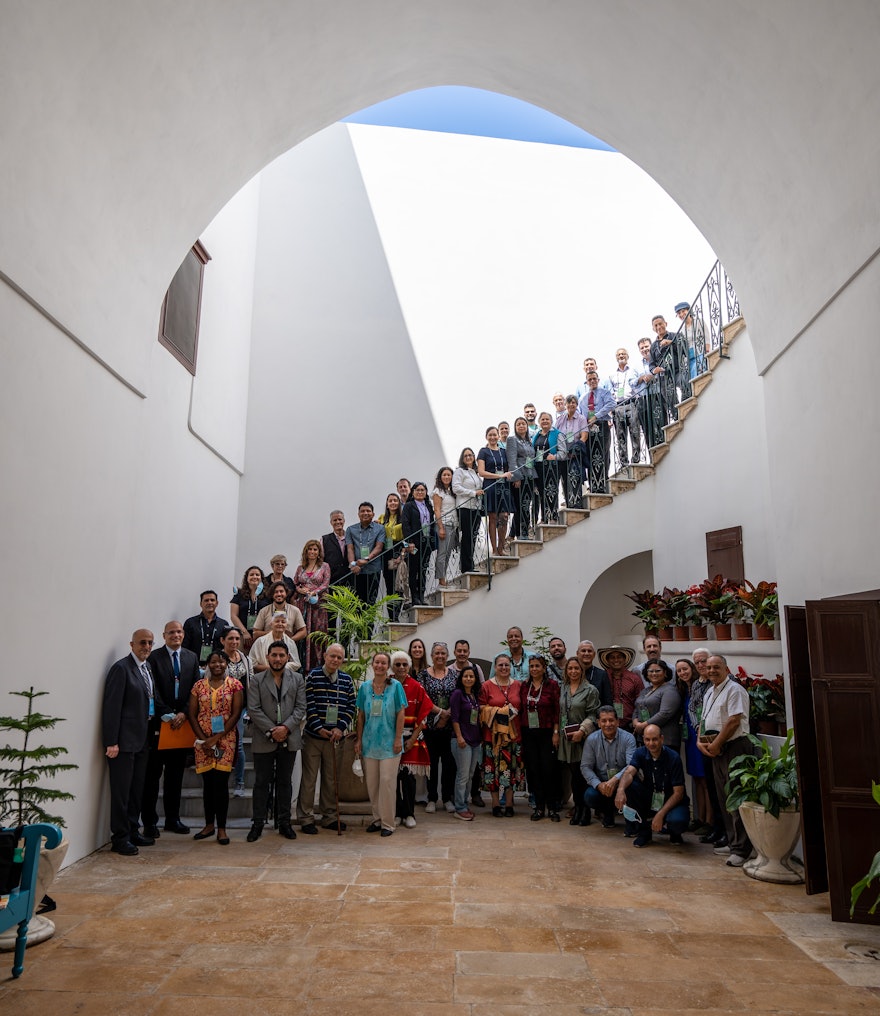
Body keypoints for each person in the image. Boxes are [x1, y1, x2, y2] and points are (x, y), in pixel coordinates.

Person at [697, 653, 756, 867]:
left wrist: (716, 744)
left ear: (726, 668)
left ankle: (742, 849)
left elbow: (733, 721)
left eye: (716, 667)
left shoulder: (735, 690)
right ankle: (733, 843)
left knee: (736, 796)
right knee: (724, 798)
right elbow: (703, 719)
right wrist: (699, 742)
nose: (711, 670)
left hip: (734, 747)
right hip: (716, 748)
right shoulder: (709, 692)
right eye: (708, 667)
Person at [141, 620, 198, 837]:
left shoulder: (191, 657)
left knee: (175, 777)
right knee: (152, 777)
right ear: (164, 636)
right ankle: (149, 822)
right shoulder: (154, 658)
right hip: (159, 725)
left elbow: (195, 689)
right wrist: (166, 714)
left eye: (179, 632)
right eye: (171, 632)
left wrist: (183, 713)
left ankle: (173, 819)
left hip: (181, 725)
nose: (176, 635)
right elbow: (152, 689)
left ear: (183, 635)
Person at [102, 628, 156, 855]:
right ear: (131, 644)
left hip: (142, 741)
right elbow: (111, 708)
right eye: (142, 642)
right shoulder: (121, 669)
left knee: (136, 792)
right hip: (123, 744)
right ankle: (120, 837)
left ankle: (133, 830)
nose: (146, 646)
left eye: (150, 643)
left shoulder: (147, 668)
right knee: (122, 794)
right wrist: (111, 741)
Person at [246, 640, 306, 841]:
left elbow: (300, 708)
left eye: (281, 655)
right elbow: (253, 709)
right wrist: (273, 730)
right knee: (261, 782)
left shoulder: (297, 679)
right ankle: (257, 823)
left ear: (288, 657)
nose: (278, 659)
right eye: (274, 655)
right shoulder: (257, 679)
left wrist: (286, 728)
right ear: (267, 657)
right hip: (264, 737)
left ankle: (284, 823)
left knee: (284, 782)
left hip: (289, 737)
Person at [297, 643, 357, 834]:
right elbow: (309, 703)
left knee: (332, 780)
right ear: (325, 656)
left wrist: (340, 728)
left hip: (335, 739)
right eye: (332, 656)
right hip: (314, 738)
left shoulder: (347, 680)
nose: (335, 660)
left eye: (339, 658)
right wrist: (319, 728)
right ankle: (306, 818)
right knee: (309, 779)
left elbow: (351, 706)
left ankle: (329, 816)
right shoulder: (313, 676)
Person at [187, 649, 244, 846]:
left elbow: (236, 714)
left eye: (221, 661)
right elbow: (192, 715)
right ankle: (208, 824)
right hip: (202, 742)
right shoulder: (198, 686)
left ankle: (222, 828)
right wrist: (204, 740)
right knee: (208, 785)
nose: (217, 665)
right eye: (213, 662)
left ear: (227, 664)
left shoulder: (235, 685)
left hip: (225, 740)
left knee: (221, 785)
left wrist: (216, 738)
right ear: (207, 665)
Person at [356, 651, 407, 837]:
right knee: (372, 784)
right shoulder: (364, 688)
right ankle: (377, 819)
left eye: (383, 663)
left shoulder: (396, 686)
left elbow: (401, 713)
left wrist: (397, 738)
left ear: (388, 667)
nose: (379, 666)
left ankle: (388, 823)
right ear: (372, 664)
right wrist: (359, 740)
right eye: (377, 662)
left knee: (387, 782)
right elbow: (361, 715)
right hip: (369, 743)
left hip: (390, 744)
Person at [615, 723, 689, 848]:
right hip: (651, 797)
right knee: (630, 786)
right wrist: (620, 790)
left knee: (678, 821)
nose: (651, 743)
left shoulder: (674, 758)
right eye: (647, 740)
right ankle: (645, 832)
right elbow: (629, 772)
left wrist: (661, 814)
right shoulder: (640, 753)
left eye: (655, 739)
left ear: (662, 739)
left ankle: (674, 832)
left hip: (671, 800)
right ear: (643, 739)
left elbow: (678, 793)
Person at [391, 651, 436, 828]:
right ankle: (396, 813)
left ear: (409, 667)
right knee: (392, 778)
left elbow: (424, 714)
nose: (401, 668)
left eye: (404, 664)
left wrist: (413, 739)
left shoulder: (417, 686)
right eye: (398, 664)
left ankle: (409, 813)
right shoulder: (386, 684)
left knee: (408, 779)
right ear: (392, 667)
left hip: (411, 738)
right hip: (389, 739)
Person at [478, 653, 525, 817]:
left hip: (514, 736)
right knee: (493, 772)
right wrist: (500, 712)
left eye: (507, 665)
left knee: (511, 772)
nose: (504, 668)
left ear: (510, 666)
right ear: (495, 667)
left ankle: (510, 804)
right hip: (493, 738)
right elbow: (481, 709)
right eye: (500, 665)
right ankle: (496, 805)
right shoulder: (486, 686)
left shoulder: (519, 685)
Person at [557, 656, 601, 825]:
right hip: (567, 738)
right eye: (570, 669)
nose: (573, 671)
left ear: (582, 671)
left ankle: (585, 811)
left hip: (583, 739)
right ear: (566, 671)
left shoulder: (590, 690)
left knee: (582, 776)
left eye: (577, 668)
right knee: (573, 776)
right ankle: (577, 808)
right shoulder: (564, 688)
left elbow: (593, 714)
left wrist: (582, 730)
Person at [581, 705, 637, 828]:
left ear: (617, 722)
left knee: (634, 786)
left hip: (623, 782)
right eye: (604, 721)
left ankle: (631, 822)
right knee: (590, 796)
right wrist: (598, 784)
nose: (608, 724)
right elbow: (585, 766)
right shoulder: (591, 740)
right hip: (603, 784)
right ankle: (607, 813)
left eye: (611, 720)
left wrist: (616, 779)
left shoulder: (628, 738)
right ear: (598, 723)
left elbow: (631, 765)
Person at [520, 656, 561, 821]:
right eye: (531, 666)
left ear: (544, 668)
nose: (534, 669)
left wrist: (556, 733)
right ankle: (539, 807)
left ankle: (552, 808)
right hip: (528, 733)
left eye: (537, 666)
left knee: (548, 769)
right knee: (533, 770)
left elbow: (558, 710)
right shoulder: (524, 686)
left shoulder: (552, 685)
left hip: (547, 733)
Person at [676, 657, 712, 836]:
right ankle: (698, 818)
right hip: (689, 737)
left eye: (685, 669)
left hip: (701, 734)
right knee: (696, 779)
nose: (683, 673)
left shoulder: (703, 686)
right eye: (679, 671)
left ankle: (709, 820)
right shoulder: (685, 689)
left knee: (705, 779)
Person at [421, 641, 458, 813]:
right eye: (437, 653)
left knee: (449, 763)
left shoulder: (454, 675)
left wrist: (447, 714)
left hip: (450, 728)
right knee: (432, 763)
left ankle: (447, 798)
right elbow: (423, 699)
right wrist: (441, 712)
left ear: (447, 656)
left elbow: (458, 697)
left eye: (443, 653)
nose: (440, 656)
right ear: (431, 656)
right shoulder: (423, 675)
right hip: (430, 727)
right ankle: (432, 798)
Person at [220, 626, 252, 798]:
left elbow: (250, 682)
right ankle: (220, 780)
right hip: (221, 710)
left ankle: (239, 781)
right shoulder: (217, 659)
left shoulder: (245, 659)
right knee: (221, 744)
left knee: (238, 745)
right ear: (222, 640)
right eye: (230, 638)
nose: (234, 642)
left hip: (240, 709)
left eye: (237, 639)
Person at [292, 539, 332, 672]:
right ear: (306, 551)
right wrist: (300, 590)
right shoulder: (300, 567)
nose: (312, 552)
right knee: (303, 632)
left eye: (315, 549)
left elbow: (326, 583)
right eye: (310, 549)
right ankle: (302, 666)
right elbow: (296, 583)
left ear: (319, 552)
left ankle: (318, 665)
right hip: (303, 605)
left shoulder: (325, 566)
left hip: (318, 605)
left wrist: (314, 592)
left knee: (317, 634)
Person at [450, 665, 483, 821]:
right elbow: (454, 717)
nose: (468, 679)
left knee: (470, 775)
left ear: (475, 679)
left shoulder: (474, 695)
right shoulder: (457, 694)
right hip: (461, 740)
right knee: (462, 775)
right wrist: (459, 736)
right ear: (461, 678)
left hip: (475, 740)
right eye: (466, 676)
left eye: (471, 676)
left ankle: (465, 803)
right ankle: (459, 807)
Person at [477, 426, 512, 557]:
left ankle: (501, 546)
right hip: (491, 486)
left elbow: (509, 467)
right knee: (492, 518)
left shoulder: (503, 451)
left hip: (503, 487)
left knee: (504, 516)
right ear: (486, 437)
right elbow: (481, 472)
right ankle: (494, 549)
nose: (492, 437)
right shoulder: (483, 451)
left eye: (494, 435)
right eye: (490, 435)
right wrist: (499, 476)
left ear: (498, 436)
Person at [578, 371, 615, 493]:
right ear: (586, 382)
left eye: (594, 379)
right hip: (589, 429)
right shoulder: (583, 398)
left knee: (603, 454)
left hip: (602, 425)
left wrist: (597, 416)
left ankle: (602, 482)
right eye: (590, 380)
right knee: (590, 455)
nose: (592, 381)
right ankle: (593, 484)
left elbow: (611, 404)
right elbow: (581, 414)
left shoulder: (605, 393)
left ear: (598, 380)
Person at [633, 660, 682, 749]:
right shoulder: (645, 690)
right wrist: (635, 722)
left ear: (665, 673)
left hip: (665, 741)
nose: (654, 674)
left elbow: (665, 713)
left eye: (657, 671)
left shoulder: (670, 690)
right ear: (646, 674)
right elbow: (637, 708)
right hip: (645, 739)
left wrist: (643, 725)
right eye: (651, 671)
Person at [402, 480, 436, 607]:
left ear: (426, 492)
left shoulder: (428, 505)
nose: (420, 492)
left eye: (422, 490)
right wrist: (409, 543)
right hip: (414, 544)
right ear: (413, 492)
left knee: (423, 570)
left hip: (426, 542)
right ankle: (414, 597)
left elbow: (431, 523)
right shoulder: (409, 505)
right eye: (417, 490)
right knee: (413, 569)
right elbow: (405, 525)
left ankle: (421, 596)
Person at [606, 348, 643, 467]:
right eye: (619, 354)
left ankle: (636, 459)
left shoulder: (633, 371)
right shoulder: (612, 375)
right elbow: (610, 393)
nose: (621, 356)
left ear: (627, 356)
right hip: (618, 406)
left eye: (623, 354)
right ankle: (624, 462)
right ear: (616, 357)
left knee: (635, 431)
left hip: (631, 403)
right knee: (620, 434)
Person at [345, 501, 386, 605]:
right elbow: (350, 549)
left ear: (373, 514)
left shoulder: (380, 528)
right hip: (356, 571)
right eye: (362, 511)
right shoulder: (350, 529)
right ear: (358, 514)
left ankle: (370, 622)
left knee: (371, 601)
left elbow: (379, 547)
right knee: (356, 602)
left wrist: (366, 559)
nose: (365, 513)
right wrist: (353, 565)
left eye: (368, 511)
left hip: (373, 569)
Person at [597, 645, 644, 731]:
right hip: (606, 725)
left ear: (625, 659)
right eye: (612, 657)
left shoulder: (634, 679)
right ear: (607, 660)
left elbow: (641, 702)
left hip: (629, 725)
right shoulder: (602, 677)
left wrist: (639, 722)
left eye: (619, 657)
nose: (616, 660)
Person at [452, 447, 483, 574]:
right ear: (462, 459)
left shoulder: (475, 472)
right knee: (467, 537)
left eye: (470, 455)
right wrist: (473, 493)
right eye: (466, 456)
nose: (469, 457)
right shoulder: (460, 471)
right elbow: (456, 488)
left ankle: (470, 563)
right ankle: (466, 566)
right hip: (465, 508)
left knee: (473, 536)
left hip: (476, 508)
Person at [554, 396, 589, 509]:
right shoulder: (560, 419)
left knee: (575, 477)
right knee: (564, 480)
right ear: (565, 405)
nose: (571, 405)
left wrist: (577, 447)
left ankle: (576, 503)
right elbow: (555, 434)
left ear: (577, 404)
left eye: (573, 403)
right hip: (563, 454)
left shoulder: (581, 418)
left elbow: (584, 435)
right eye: (568, 403)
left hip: (575, 454)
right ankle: (568, 503)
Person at [506, 417, 536, 541]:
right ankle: (521, 533)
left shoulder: (528, 441)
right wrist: (516, 477)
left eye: (523, 424)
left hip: (530, 476)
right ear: (515, 427)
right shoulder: (512, 440)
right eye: (518, 424)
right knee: (520, 506)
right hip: (520, 477)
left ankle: (518, 533)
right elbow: (512, 460)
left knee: (526, 505)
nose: (521, 426)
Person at [182, 591, 230, 664]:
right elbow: (184, 647)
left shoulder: (224, 624)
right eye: (206, 600)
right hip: (193, 664)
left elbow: (226, 648)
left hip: (216, 666)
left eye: (212, 600)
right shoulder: (190, 623)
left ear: (217, 603)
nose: (209, 602)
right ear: (201, 604)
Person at [229, 565, 269, 650]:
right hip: (242, 636)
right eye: (251, 575)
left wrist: (260, 634)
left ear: (261, 578)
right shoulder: (239, 594)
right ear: (246, 578)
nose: (254, 577)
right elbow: (233, 616)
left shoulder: (268, 595)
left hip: (262, 637)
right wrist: (245, 633)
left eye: (257, 575)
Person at [378, 492, 404, 617]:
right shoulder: (382, 518)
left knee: (398, 585)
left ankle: (397, 614)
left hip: (399, 551)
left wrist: (402, 555)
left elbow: (407, 537)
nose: (393, 503)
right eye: (390, 501)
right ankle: (391, 615)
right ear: (387, 504)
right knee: (389, 585)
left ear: (399, 503)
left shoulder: (404, 517)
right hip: (386, 552)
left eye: (395, 500)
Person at [431, 467, 458, 587]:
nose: (447, 477)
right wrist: (440, 527)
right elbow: (436, 510)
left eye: (449, 475)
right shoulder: (438, 491)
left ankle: (444, 577)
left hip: (453, 524)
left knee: (447, 553)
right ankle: (441, 580)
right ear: (440, 477)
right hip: (444, 524)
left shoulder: (452, 491)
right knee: (442, 553)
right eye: (444, 475)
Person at [532, 411, 560, 524]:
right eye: (542, 419)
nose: (544, 421)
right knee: (541, 493)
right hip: (538, 468)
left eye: (547, 419)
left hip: (551, 467)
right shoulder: (536, 435)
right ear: (539, 422)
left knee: (551, 491)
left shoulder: (557, 434)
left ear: (551, 421)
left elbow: (563, 452)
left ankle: (553, 516)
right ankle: (543, 518)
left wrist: (555, 457)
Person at [576, 640, 613, 706]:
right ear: (577, 653)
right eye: (583, 651)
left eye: (589, 651)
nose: (586, 653)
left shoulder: (602, 674)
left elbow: (607, 701)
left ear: (594, 654)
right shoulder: (572, 673)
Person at [676, 300, 707, 377]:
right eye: (679, 313)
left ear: (689, 310)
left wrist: (707, 350)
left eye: (683, 311)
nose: (681, 314)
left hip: (701, 351)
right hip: (690, 356)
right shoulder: (682, 330)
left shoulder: (698, 321)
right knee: (691, 374)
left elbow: (706, 336)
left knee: (698, 370)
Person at [322, 510, 351, 590]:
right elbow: (321, 561)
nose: (338, 522)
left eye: (340, 519)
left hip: (351, 579)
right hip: (333, 581)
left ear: (344, 521)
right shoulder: (324, 539)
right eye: (335, 520)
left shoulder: (351, 537)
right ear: (331, 522)